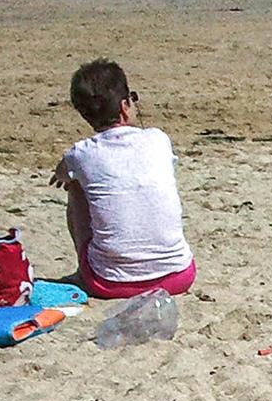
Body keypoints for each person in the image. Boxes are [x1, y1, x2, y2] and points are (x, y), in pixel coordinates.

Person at [51, 61, 196, 298]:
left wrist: (67, 174)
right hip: (178, 276)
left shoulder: (81, 153)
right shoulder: (158, 139)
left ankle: (83, 269)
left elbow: (61, 172)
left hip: (109, 282)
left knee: (75, 184)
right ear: (124, 105)